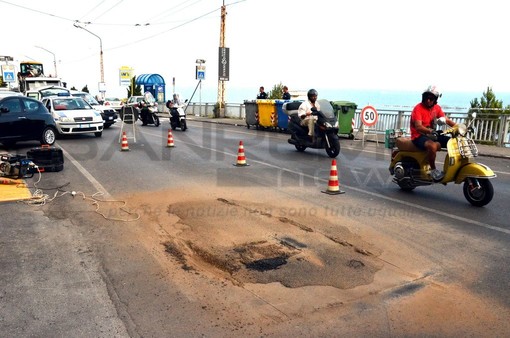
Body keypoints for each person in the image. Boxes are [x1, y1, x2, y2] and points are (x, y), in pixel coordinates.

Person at [410, 85, 456, 181]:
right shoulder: (418, 108)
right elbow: (418, 127)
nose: (428, 100)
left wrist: (458, 127)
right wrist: (430, 131)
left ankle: (452, 168)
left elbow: (445, 120)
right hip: (418, 135)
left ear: (435, 99)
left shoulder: (436, 108)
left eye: (431, 98)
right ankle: (433, 170)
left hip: (431, 134)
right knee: (432, 146)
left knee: (452, 142)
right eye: (427, 97)